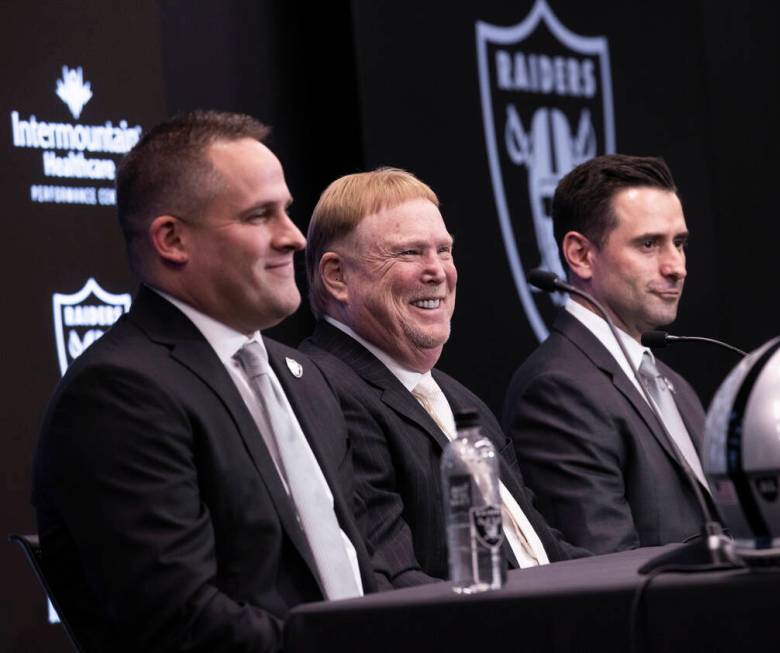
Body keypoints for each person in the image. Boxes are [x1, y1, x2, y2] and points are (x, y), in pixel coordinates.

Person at [32, 110, 377, 653]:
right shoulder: (120, 394)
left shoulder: (304, 377)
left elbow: (361, 568)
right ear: (172, 239)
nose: (293, 237)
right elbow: (181, 623)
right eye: (260, 215)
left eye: (286, 211)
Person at [300, 167, 587, 587]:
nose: (438, 271)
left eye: (445, 251)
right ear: (337, 276)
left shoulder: (456, 398)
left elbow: (536, 548)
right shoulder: (327, 393)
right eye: (409, 253)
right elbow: (394, 582)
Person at [502, 154, 710, 554]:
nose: (676, 267)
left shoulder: (674, 385)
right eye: (648, 244)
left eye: (679, 243)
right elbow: (606, 571)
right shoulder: (557, 391)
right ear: (580, 254)